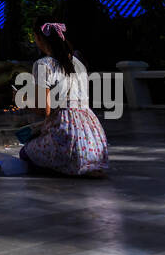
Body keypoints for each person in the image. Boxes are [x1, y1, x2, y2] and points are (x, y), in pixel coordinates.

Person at [19, 21, 108, 177]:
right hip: (94, 138)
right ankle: (83, 164)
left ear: (39, 39)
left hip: (67, 133)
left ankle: (68, 165)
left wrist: (22, 100)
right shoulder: (79, 63)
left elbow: (44, 110)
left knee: (24, 153)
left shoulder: (43, 64)